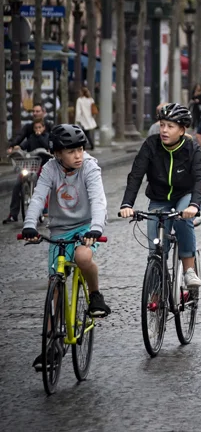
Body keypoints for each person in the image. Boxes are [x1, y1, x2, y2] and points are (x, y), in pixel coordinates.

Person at [22, 124, 111, 370]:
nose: (78, 155)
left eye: (81, 149)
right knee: (56, 283)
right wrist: (30, 225)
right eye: (71, 151)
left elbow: (98, 200)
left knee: (83, 257)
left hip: (86, 227)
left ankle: (95, 296)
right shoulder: (49, 169)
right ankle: (52, 346)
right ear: (57, 153)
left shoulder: (90, 167)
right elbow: (38, 197)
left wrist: (96, 229)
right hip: (59, 230)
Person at [119, 103, 201, 288]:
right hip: (159, 198)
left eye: (170, 126)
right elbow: (136, 175)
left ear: (182, 130)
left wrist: (194, 206)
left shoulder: (192, 148)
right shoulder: (151, 145)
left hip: (185, 195)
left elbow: (199, 179)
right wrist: (127, 204)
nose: (164, 130)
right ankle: (157, 287)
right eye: (162, 125)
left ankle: (189, 270)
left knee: (182, 219)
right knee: (155, 249)